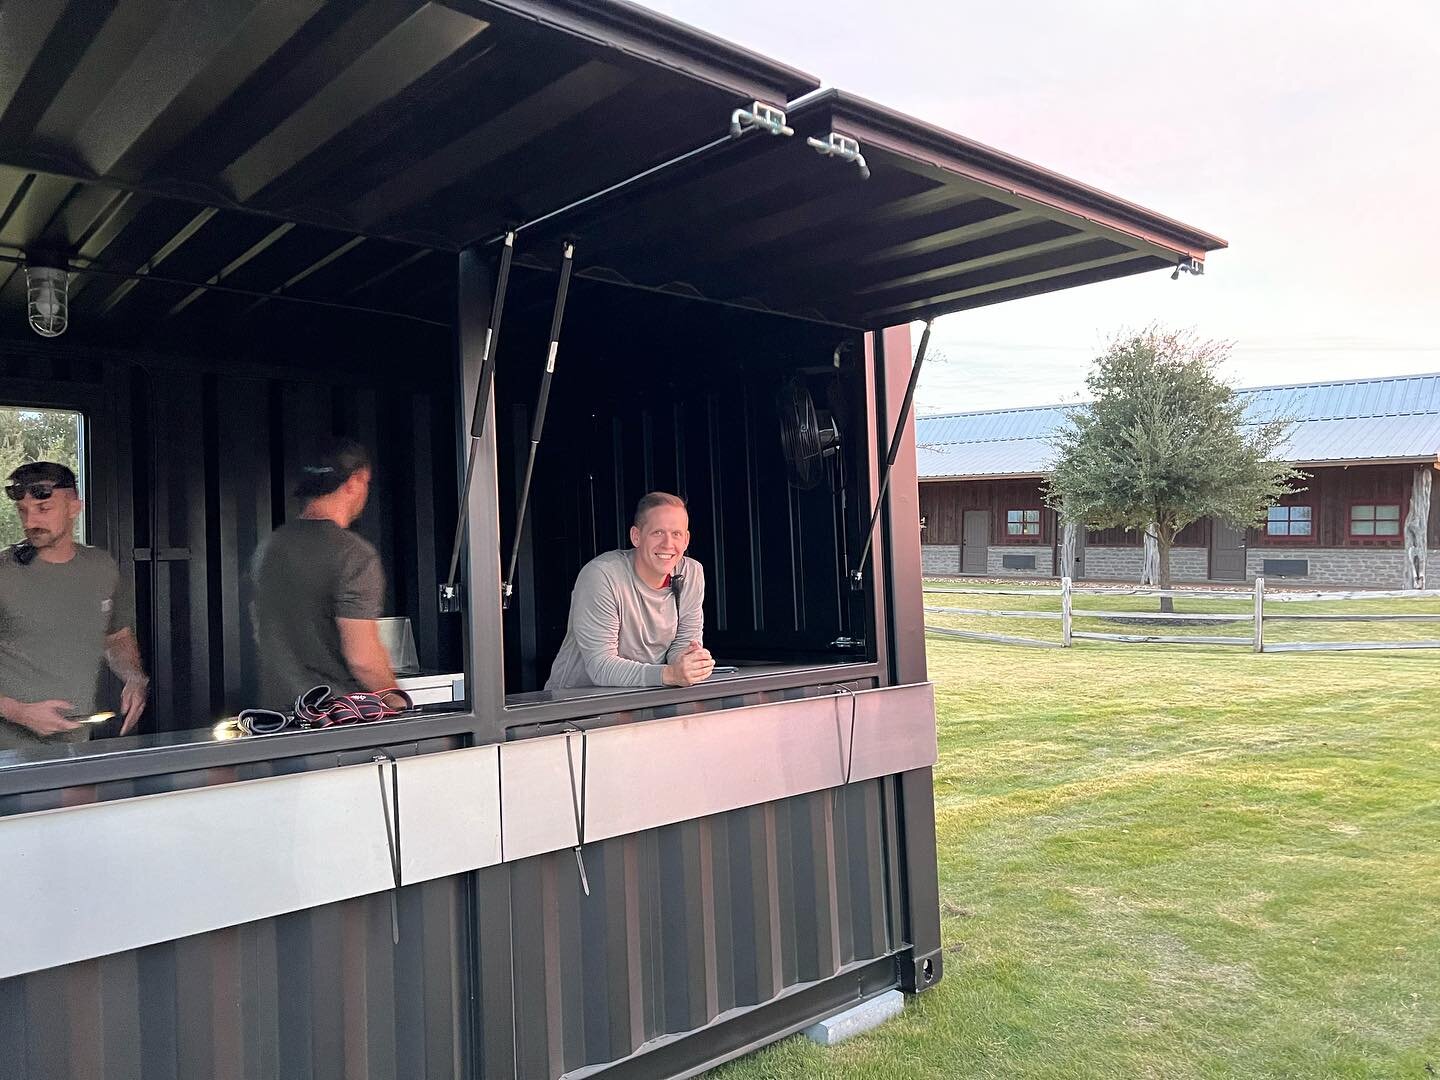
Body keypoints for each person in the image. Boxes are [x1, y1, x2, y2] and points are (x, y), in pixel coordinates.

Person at [0, 461, 149, 750]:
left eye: (43, 509)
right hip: (6, 758)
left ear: (74, 508)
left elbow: (116, 637)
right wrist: (17, 712)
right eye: (23, 511)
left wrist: (134, 678)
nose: (30, 522)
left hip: (74, 748)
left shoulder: (101, 568)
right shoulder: (3, 573)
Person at [251, 439, 398, 710]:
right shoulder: (354, 555)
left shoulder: (269, 548)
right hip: (335, 726)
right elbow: (363, 659)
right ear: (355, 481)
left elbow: (262, 632)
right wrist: (397, 700)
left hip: (275, 723)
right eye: (366, 482)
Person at [546, 491, 714, 690]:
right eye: (657, 532)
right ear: (636, 536)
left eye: (676, 534)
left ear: (686, 540)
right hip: (575, 709)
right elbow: (601, 666)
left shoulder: (691, 572)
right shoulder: (602, 575)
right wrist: (669, 674)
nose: (668, 544)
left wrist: (690, 662)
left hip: (643, 700)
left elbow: (683, 645)